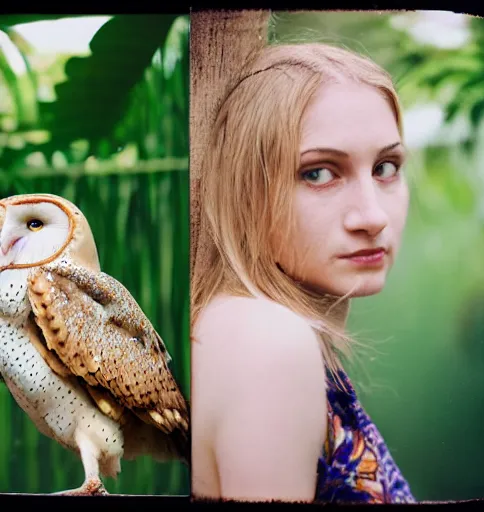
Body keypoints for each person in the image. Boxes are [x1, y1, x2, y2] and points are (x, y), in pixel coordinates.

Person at [191, 42, 415, 504]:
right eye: (318, 173)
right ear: (245, 189)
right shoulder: (269, 342)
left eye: (385, 167)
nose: (372, 217)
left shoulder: (236, 327)